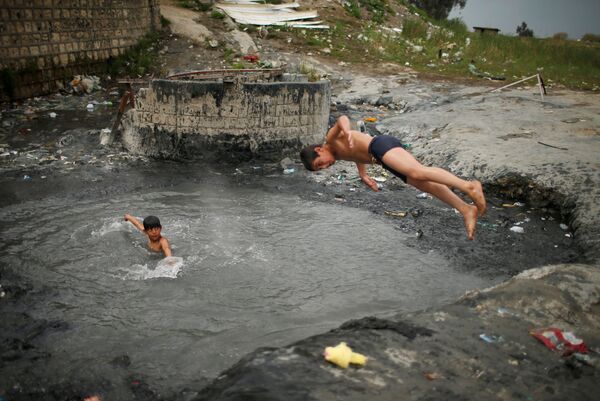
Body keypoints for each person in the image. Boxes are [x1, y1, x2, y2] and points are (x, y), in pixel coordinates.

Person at [299, 115, 487, 240]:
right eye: (320, 169)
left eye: (320, 164)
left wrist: (347, 131)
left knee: (417, 171)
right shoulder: (338, 155)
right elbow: (356, 155)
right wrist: (362, 174)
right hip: (382, 160)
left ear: (319, 150)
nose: (325, 166)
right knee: (424, 184)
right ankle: (465, 209)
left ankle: (468, 186)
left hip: (380, 145)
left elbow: (342, 119)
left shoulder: (331, 139)